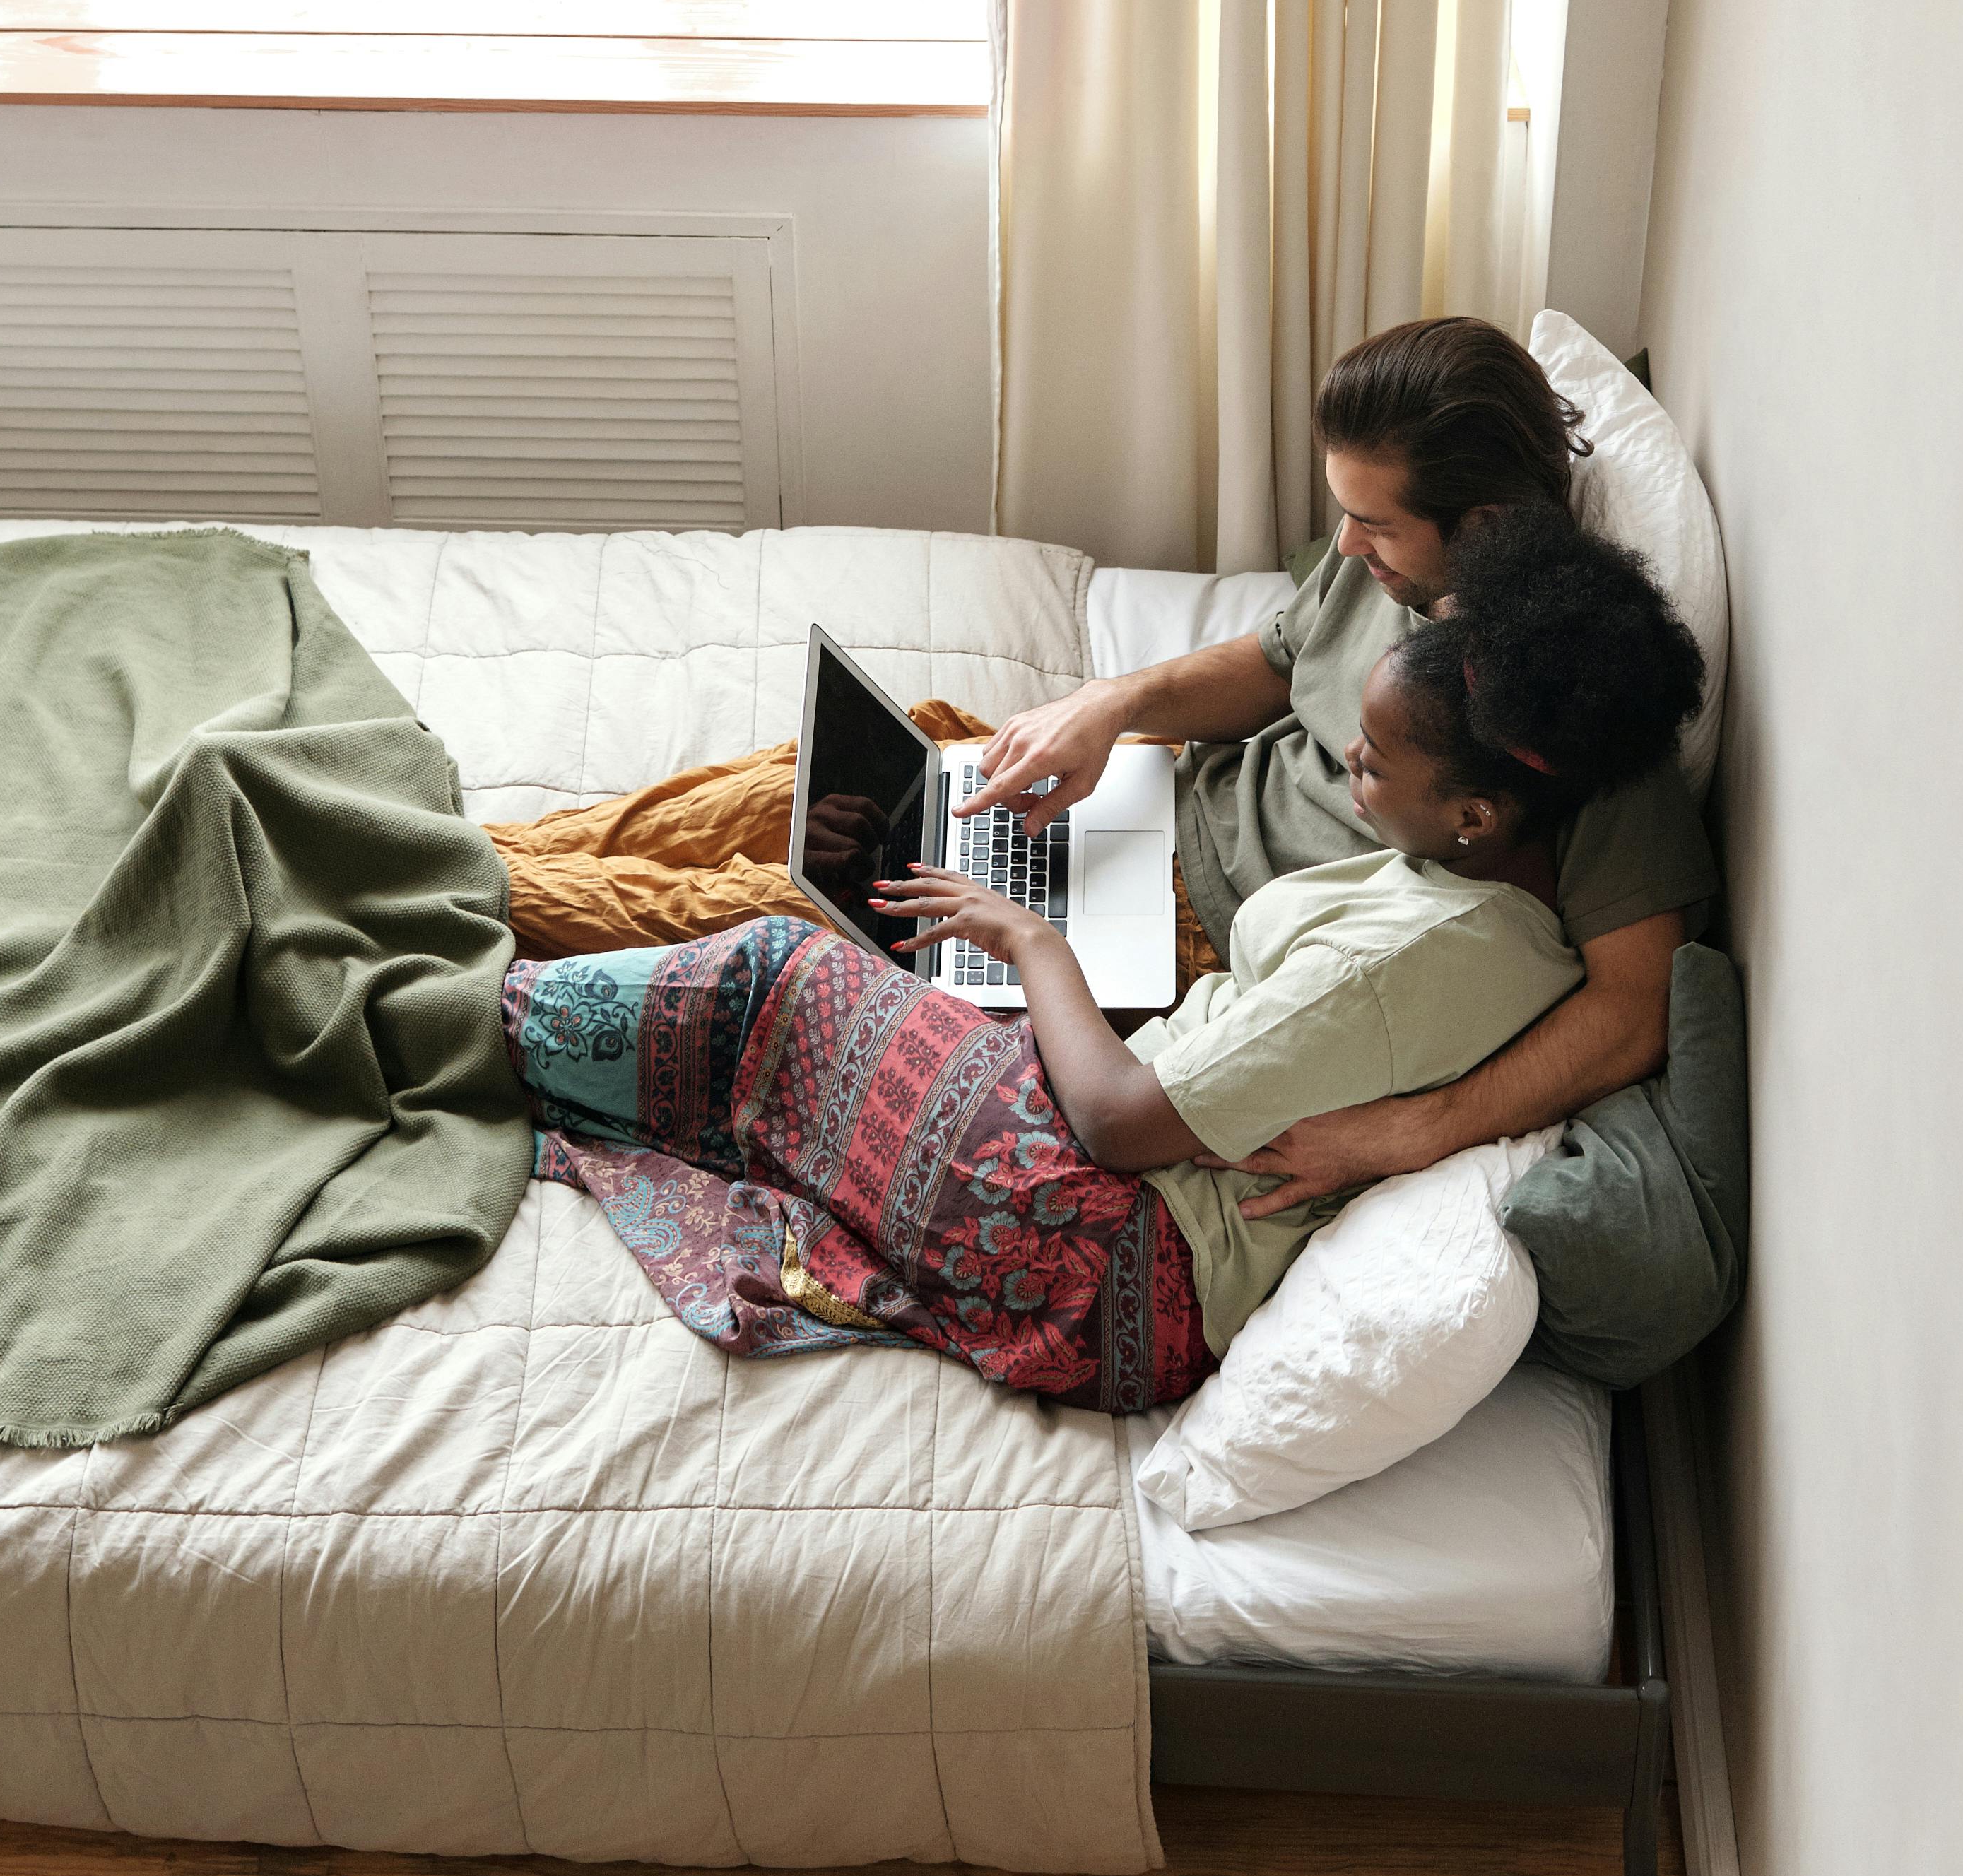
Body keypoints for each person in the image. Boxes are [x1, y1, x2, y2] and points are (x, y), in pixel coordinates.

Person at [501, 509, 1706, 1415]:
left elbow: (1123, 1121)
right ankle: (484, 880)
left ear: (1477, 814)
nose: (1340, 759)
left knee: (783, 965)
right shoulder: (1479, 883)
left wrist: (1028, 942)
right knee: (841, 830)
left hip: (1097, 1249)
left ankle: (463, 1002)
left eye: (1372, 766)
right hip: (1115, 1201)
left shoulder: (1413, 957)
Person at [960, 313, 1716, 1222]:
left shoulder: (1579, 703)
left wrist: (1421, 1127)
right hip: (1162, 797)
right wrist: (1109, 706)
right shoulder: (1388, 566)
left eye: (1372, 522)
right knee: (830, 797)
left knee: (800, 918)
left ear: (1481, 525)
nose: (1345, 547)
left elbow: (1633, 1007)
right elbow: (1277, 661)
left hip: (1198, 938)